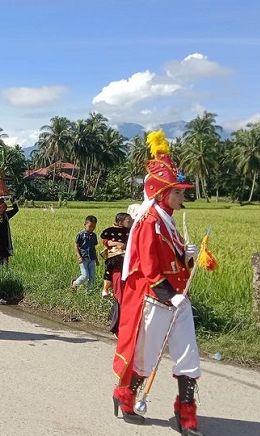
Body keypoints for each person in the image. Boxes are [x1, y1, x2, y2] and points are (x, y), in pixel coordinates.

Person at [112, 130, 203, 436]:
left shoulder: (169, 220)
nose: (182, 196)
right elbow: (151, 269)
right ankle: (125, 397)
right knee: (146, 357)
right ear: (163, 193)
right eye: (177, 192)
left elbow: (174, 263)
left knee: (188, 357)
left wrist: (187, 256)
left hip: (178, 298)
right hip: (157, 300)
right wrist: (169, 294)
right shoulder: (149, 223)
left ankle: (186, 414)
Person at [100, 213, 133, 335]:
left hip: (130, 267)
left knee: (127, 297)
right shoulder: (112, 233)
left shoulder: (132, 232)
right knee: (120, 296)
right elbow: (105, 241)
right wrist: (117, 244)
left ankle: (124, 325)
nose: (131, 223)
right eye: (128, 221)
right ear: (120, 223)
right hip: (118, 267)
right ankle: (118, 327)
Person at [71, 215, 99, 290]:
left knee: (92, 276)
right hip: (83, 258)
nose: (92, 228)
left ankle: (89, 292)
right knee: (85, 276)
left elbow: (94, 247)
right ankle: (75, 283)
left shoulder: (94, 235)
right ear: (85, 225)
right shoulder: (80, 235)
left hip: (92, 258)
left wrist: (96, 259)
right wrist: (79, 257)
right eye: (90, 226)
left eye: (94, 226)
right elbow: (76, 246)